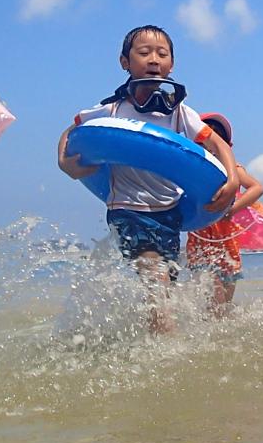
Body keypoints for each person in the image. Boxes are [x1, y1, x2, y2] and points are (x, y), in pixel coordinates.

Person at [57, 25, 238, 333]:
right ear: (124, 62)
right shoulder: (113, 109)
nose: (153, 59)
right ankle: (167, 345)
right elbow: (72, 131)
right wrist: (64, 162)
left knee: (163, 287)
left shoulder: (177, 111)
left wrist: (232, 179)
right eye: (143, 53)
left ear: (171, 65)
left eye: (162, 53)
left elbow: (216, 144)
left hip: (170, 214)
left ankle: (150, 342)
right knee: (155, 276)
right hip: (127, 209)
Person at [184, 112, 263, 316]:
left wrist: (232, 209)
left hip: (228, 243)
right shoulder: (190, 169)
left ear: (226, 144)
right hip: (201, 242)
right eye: (205, 138)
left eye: (217, 137)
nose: (210, 144)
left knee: (223, 308)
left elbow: (257, 188)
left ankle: (216, 338)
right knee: (215, 297)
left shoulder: (233, 171)